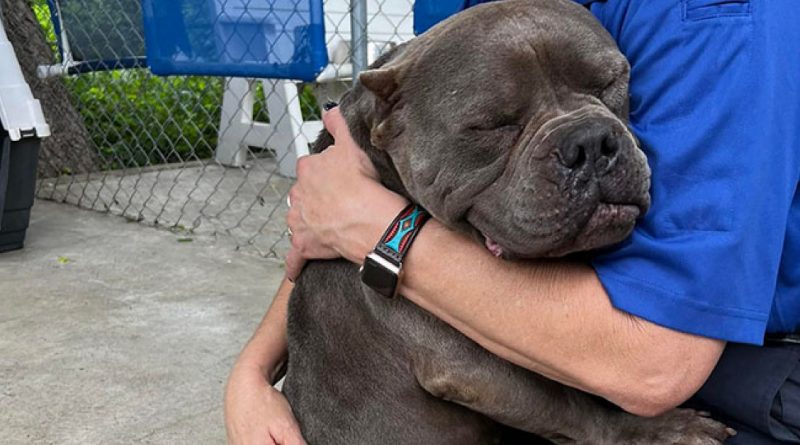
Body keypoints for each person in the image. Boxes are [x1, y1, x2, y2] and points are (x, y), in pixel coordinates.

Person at [224, 1, 800, 444]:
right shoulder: (430, 57)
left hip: (731, 361)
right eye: (495, 126)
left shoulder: (718, 20)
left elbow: (654, 368)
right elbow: (334, 208)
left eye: (604, 90)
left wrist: (385, 232)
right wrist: (252, 371)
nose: (584, 145)